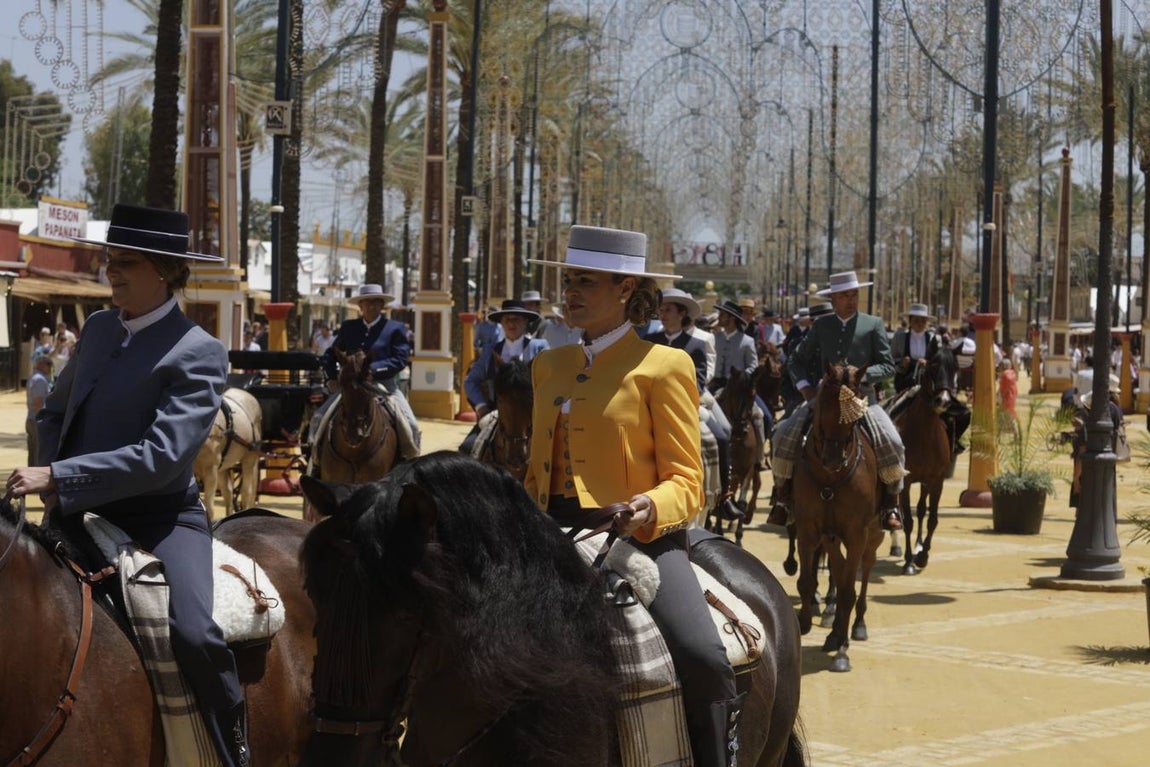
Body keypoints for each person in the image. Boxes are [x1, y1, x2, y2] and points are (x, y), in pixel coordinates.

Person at [5, 203, 248, 766]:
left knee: (193, 633)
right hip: (73, 510)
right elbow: (52, 413)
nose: (110, 272)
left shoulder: (200, 352)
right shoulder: (96, 329)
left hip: (159, 520)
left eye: (125, 263)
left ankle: (233, 748)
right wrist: (50, 478)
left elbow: (161, 459)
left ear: (164, 271)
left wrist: (59, 474)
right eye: (109, 260)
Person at [525, 224, 744, 767]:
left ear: (624, 289)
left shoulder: (665, 366)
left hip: (640, 537)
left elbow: (689, 484)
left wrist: (646, 507)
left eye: (586, 281)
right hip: (547, 531)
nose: (571, 291)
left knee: (702, 654)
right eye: (569, 279)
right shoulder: (547, 366)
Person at [767, 270, 906, 531]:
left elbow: (888, 366)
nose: (851, 299)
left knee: (894, 443)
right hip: (824, 401)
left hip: (863, 400)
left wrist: (862, 375)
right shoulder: (821, 326)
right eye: (845, 295)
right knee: (781, 436)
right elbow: (795, 360)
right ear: (833, 298)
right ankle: (783, 499)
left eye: (854, 294)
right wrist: (805, 387)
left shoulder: (873, 324)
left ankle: (891, 503)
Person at [647, 288, 742, 523]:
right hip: (649, 404)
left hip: (686, 405)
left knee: (720, 436)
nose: (663, 314)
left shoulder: (696, 344)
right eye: (660, 310)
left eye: (668, 310)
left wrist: (674, 402)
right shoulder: (650, 341)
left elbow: (698, 383)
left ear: (682, 314)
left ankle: (723, 498)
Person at [315, 283, 421, 456]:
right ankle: (315, 463)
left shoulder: (395, 328)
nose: (371, 306)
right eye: (367, 302)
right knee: (318, 419)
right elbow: (330, 355)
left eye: (376, 302)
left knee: (412, 426)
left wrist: (372, 370)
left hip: (384, 387)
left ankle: (409, 469)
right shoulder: (349, 327)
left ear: (382, 305)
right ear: (360, 305)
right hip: (350, 387)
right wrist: (331, 378)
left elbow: (400, 359)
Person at [464, 299, 550, 420]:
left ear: (525, 321)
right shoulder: (490, 351)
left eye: (516, 319)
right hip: (497, 416)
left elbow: (550, 380)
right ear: (501, 323)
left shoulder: (539, 347)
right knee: (471, 440)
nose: (511, 324)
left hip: (533, 415)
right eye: (506, 319)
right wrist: (481, 406)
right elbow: (470, 381)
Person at [890, 303, 942, 393]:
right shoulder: (900, 338)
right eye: (916, 321)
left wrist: (928, 363)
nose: (920, 324)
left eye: (923, 321)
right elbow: (891, 358)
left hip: (927, 378)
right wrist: (902, 362)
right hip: (905, 378)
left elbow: (938, 360)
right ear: (910, 321)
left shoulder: (934, 339)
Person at [25, 354, 52, 465]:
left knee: (33, 453)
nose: (50, 368)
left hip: (31, 419)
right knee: (38, 454)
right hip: (37, 421)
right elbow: (38, 402)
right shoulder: (40, 380)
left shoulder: (33, 377)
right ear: (41, 365)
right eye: (48, 364)